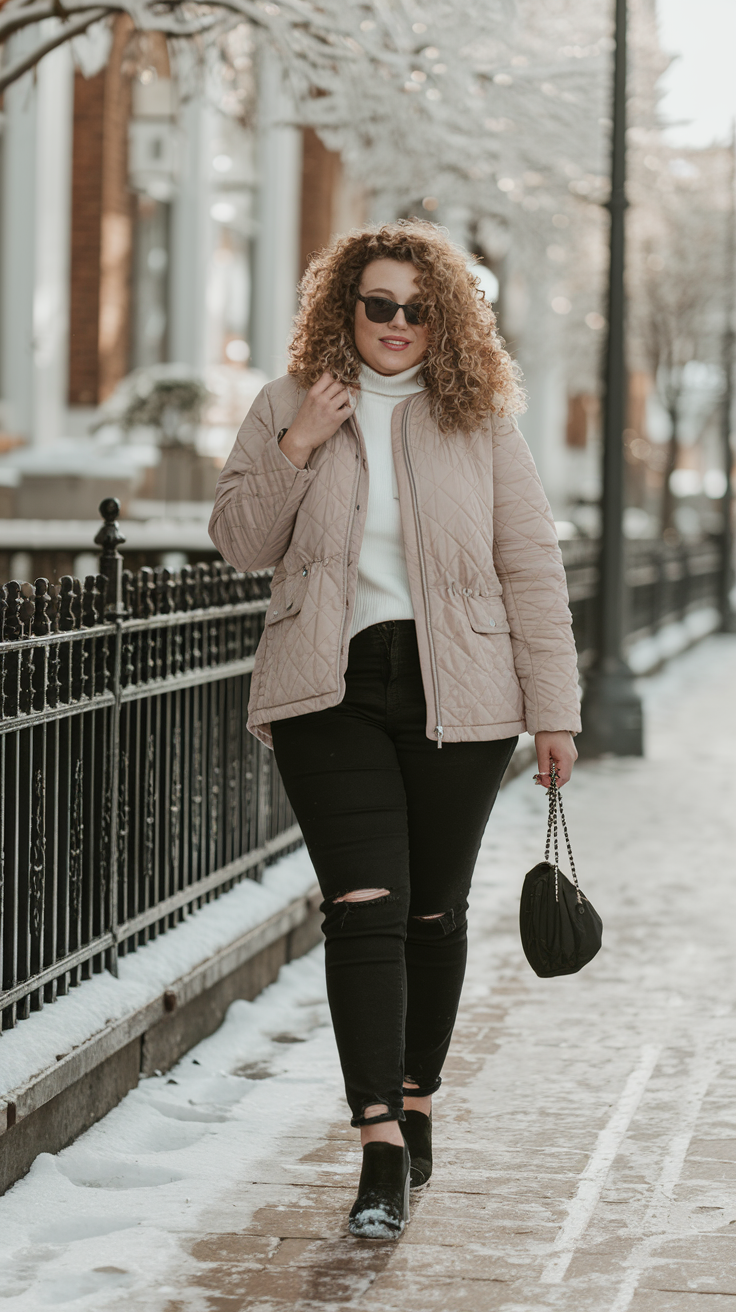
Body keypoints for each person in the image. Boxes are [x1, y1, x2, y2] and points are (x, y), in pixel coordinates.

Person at [209, 220, 580, 1239]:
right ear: (346, 306)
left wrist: (554, 709)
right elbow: (239, 539)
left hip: (458, 691)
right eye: (380, 305)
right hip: (330, 689)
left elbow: (530, 570)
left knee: (432, 913)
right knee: (365, 905)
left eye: (419, 309)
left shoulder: (478, 420)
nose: (399, 326)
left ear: (445, 317)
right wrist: (299, 445)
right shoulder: (289, 404)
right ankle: (377, 1141)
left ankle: (416, 1097)